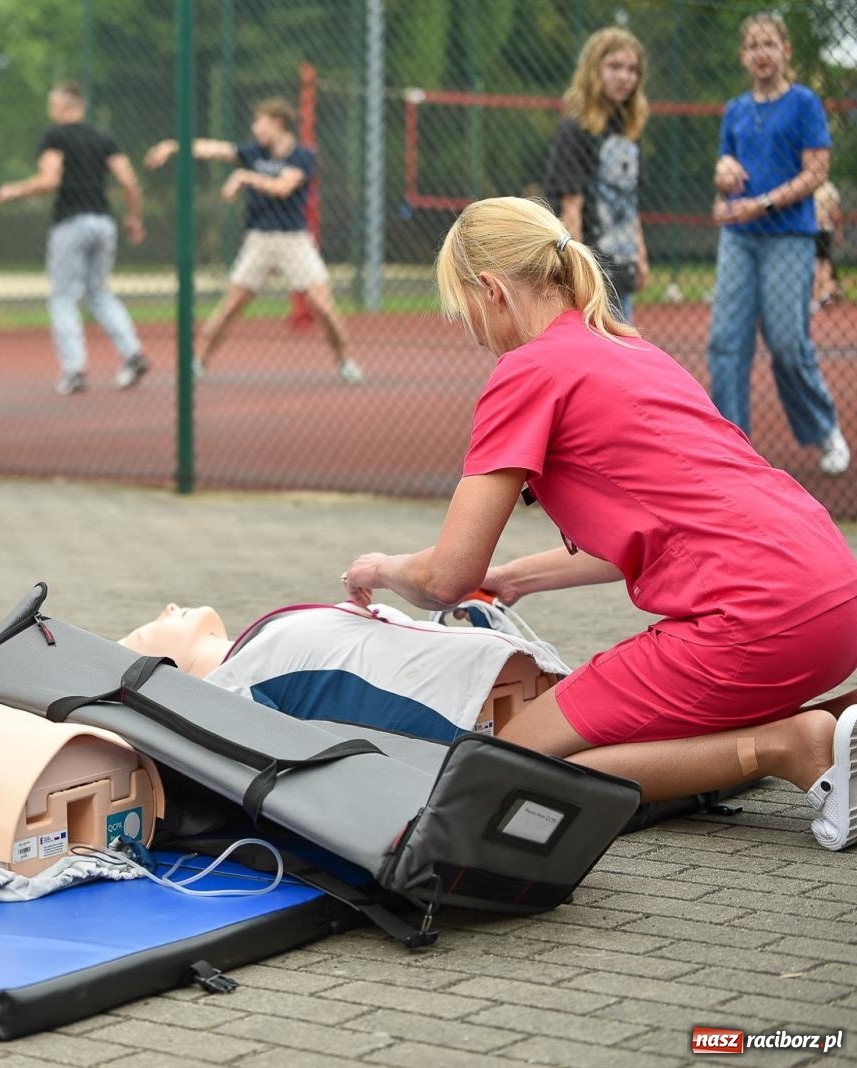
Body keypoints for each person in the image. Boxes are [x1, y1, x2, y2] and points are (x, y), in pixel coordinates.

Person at [341, 195, 857, 851]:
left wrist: (381, 569)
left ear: (491, 290)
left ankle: (791, 745)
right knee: (649, 724)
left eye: (462, 307)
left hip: (756, 624)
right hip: (835, 600)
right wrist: (516, 579)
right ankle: (838, 717)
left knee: (502, 772)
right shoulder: (630, 349)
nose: (468, 329)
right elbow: (662, 528)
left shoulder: (525, 371)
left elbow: (447, 577)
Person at [707, 12, 845, 475]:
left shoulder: (804, 103)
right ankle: (733, 446)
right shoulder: (735, 109)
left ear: (786, 51)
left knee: (787, 343)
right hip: (738, 239)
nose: (761, 53)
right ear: (743, 56)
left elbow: (817, 171)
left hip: (789, 236)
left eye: (770, 44)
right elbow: (726, 170)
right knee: (726, 342)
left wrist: (761, 204)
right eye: (753, 46)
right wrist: (723, 177)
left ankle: (824, 430)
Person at [118, 600, 563, 742]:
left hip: (489, 671)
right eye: (150, 627)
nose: (169, 607)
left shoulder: (269, 649)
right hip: (474, 691)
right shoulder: (238, 683)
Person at [144, 98, 361, 383]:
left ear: (278, 123)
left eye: (261, 122)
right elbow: (214, 149)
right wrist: (173, 146)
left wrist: (246, 177)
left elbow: (283, 187)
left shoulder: (303, 155)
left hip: (293, 240)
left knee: (324, 307)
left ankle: (345, 362)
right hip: (258, 240)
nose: (255, 128)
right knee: (231, 306)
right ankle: (199, 361)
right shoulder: (253, 152)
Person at [0, 80, 151, 395]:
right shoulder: (103, 137)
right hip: (103, 223)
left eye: (52, 104)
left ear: (64, 105)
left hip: (71, 223)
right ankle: (133, 355)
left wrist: (16, 190)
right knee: (99, 293)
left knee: (63, 297)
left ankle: (74, 371)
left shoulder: (56, 137)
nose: (50, 110)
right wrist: (134, 218)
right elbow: (129, 181)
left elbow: (50, 179)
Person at [544, 27, 649, 323]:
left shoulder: (629, 132)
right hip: (591, 267)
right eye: (614, 66)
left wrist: (639, 255)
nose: (624, 76)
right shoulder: (575, 131)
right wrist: (578, 271)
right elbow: (570, 209)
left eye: (632, 69)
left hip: (621, 265)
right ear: (594, 70)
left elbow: (631, 203)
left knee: (620, 348)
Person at [813, 180, 843, 314]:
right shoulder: (829, 187)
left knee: (819, 263)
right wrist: (839, 232)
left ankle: (819, 296)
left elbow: (835, 212)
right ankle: (824, 293)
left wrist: (838, 231)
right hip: (823, 229)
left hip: (815, 229)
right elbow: (835, 212)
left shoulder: (810, 184)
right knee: (823, 262)